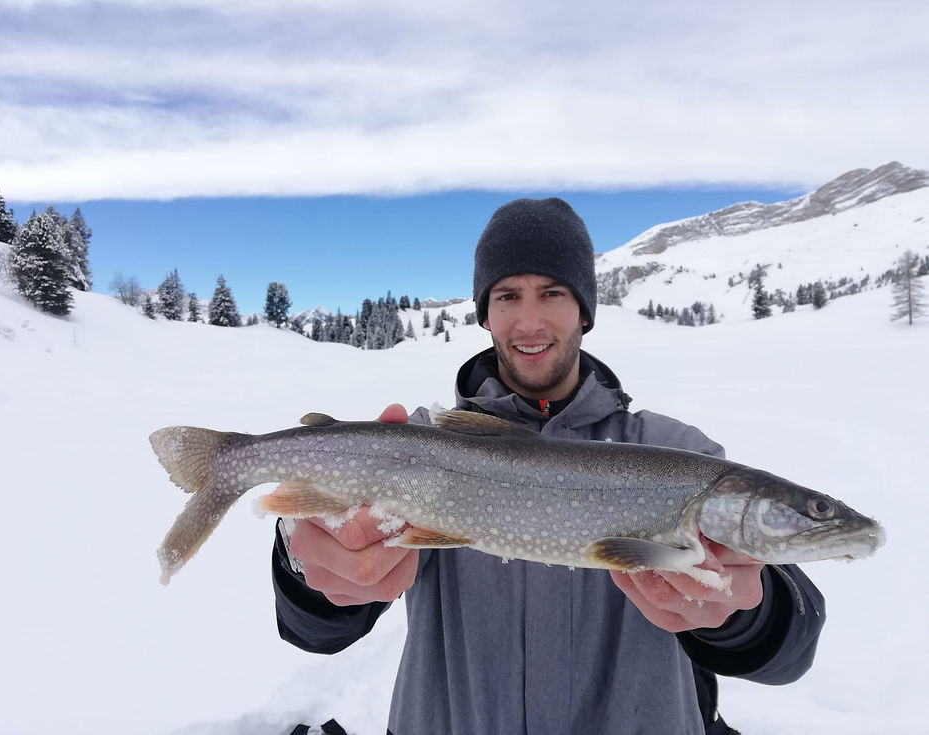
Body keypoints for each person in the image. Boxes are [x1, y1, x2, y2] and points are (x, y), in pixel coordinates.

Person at [271, 197, 826, 735]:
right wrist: (307, 561)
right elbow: (316, 631)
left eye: (552, 293)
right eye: (507, 296)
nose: (529, 322)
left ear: (584, 309)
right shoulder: (419, 444)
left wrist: (740, 613)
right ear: (485, 314)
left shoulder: (679, 456)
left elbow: (789, 650)